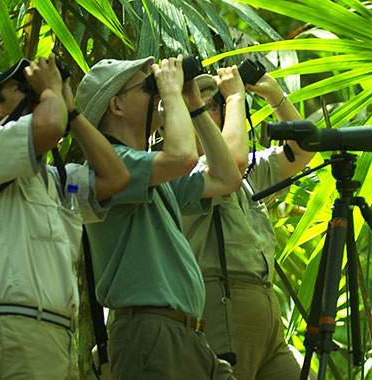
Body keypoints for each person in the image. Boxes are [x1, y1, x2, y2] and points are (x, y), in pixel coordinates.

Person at [0, 53, 129, 380]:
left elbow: (116, 177)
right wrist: (48, 91)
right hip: (13, 332)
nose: (34, 92)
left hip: (57, 337)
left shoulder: (53, 178)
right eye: (23, 88)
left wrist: (71, 110)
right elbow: (48, 127)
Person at [77, 55, 243, 379]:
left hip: (187, 334)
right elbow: (182, 157)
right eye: (147, 87)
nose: (156, 91)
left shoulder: (151, 169)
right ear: (117, 106)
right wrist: (169, 93)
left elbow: (227, 178)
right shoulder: (111, 168)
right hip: (150, 334)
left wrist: (194, 104)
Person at [181, 71, 315, 380]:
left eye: (214, 105)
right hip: (222, 303)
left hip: (266, 307)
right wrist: (235, 96)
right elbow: (230, 163)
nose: (205, 113)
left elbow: (303, 149)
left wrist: (275, 96)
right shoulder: (182, 174)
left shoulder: (248, 172)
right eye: (195, 107)